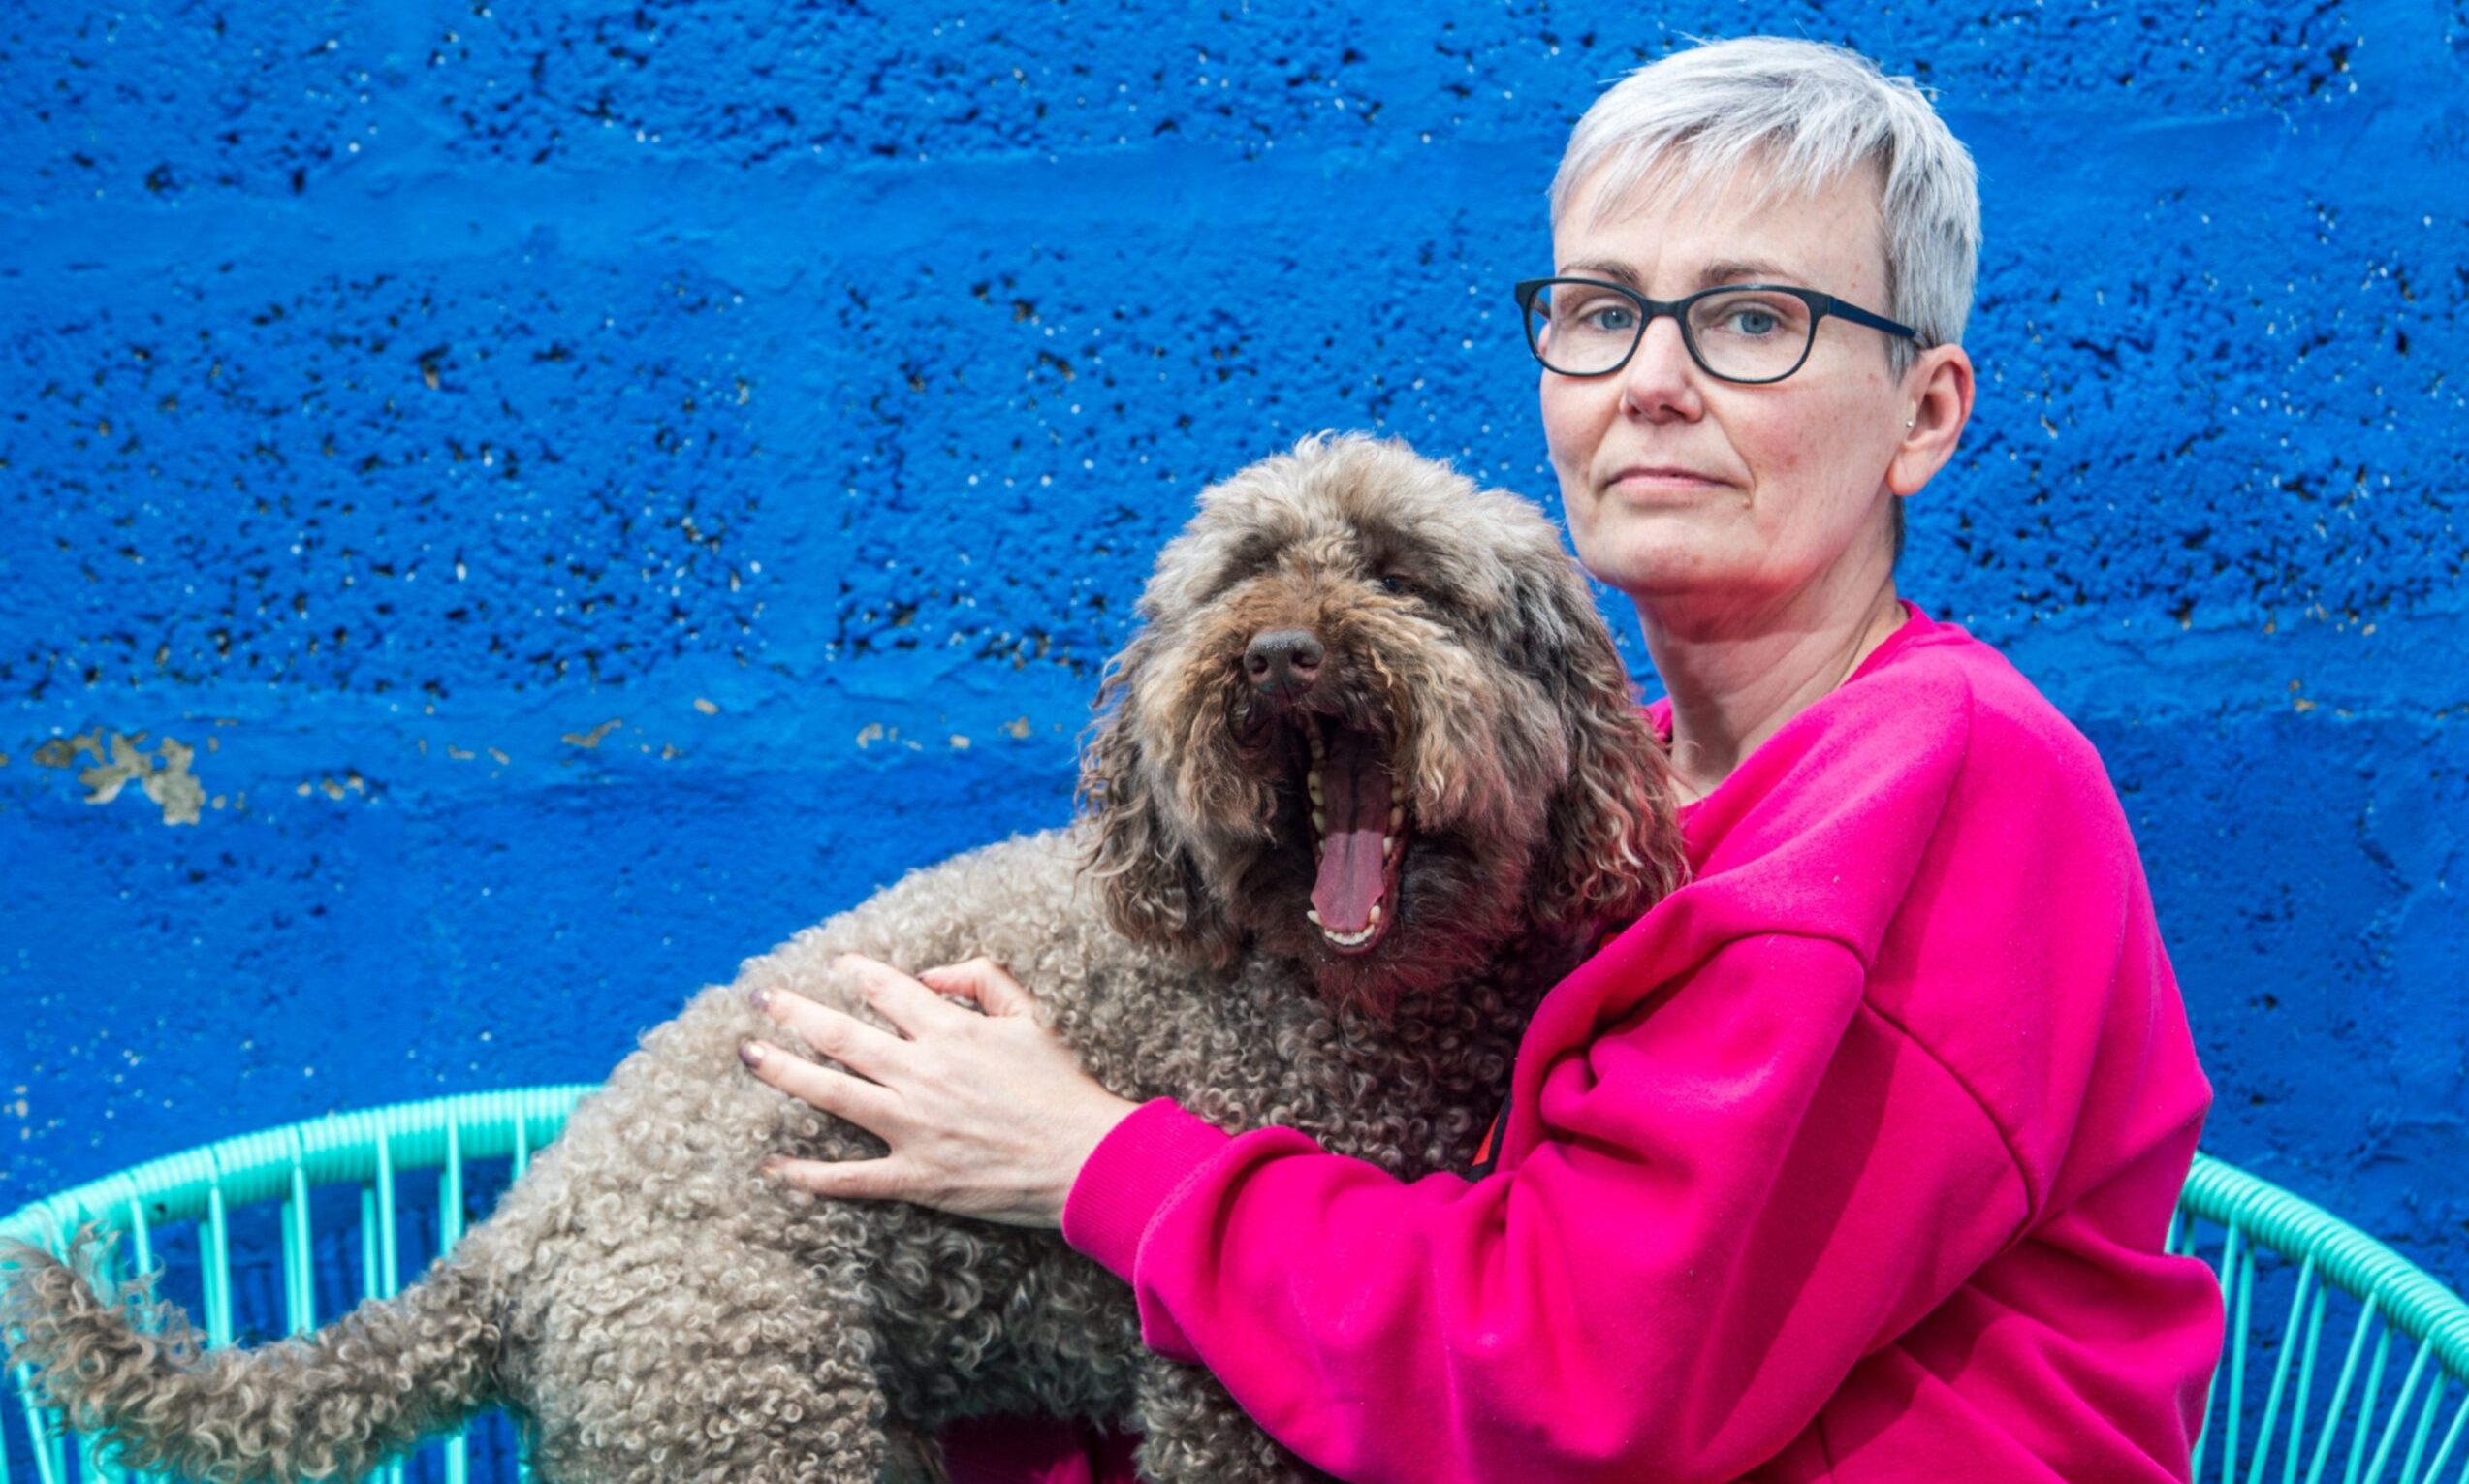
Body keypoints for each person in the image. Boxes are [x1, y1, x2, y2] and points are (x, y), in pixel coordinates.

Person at [740, 36, 2225, 1483]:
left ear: (1924, 413)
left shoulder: (1948, 786)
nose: (1650, 380)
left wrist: (1092, 1161)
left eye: (1754, 319)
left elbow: (1578, 1384)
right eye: (1600, 310)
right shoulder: (1597, 803)